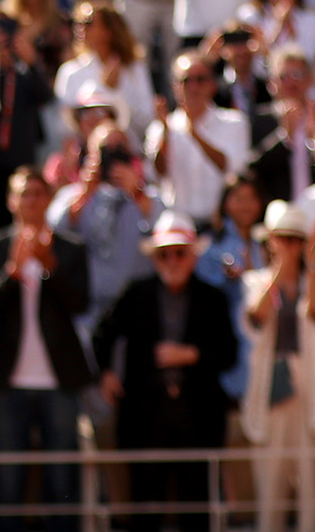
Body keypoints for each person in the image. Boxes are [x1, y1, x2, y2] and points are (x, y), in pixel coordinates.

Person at [92, 211, 238, 532]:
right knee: (145, 503)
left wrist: (191, 355)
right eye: (164, 254)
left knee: (196, 503)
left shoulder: (212, 299)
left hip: (198, 416)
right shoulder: (136, 293)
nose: (172, 261)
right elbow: (102, 334)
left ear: (193, 256)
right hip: (145, 416)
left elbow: (229, 352)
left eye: (180, 253)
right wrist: (106, 373)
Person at [0, 168, 92, 532]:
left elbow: (79, 304)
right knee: (8, 482)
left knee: (62, 482)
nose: (31, 201)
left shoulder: (70, 248)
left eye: (38, 194)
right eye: (23, 194)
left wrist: (49, 266)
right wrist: (13, 271)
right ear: (11, 202)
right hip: (6, 383)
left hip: (58, 380)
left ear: (49, 199)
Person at [239, 201, 315, 532]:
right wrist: (281, 267)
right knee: (271, 490)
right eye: (283, 237)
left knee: (312, 488)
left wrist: (311, 264)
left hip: (308, 390)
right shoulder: (256, 281)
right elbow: (256, 318)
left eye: (296, 238)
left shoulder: (312, 282)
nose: (289, 245)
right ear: (270, 240)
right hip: (271, 392)